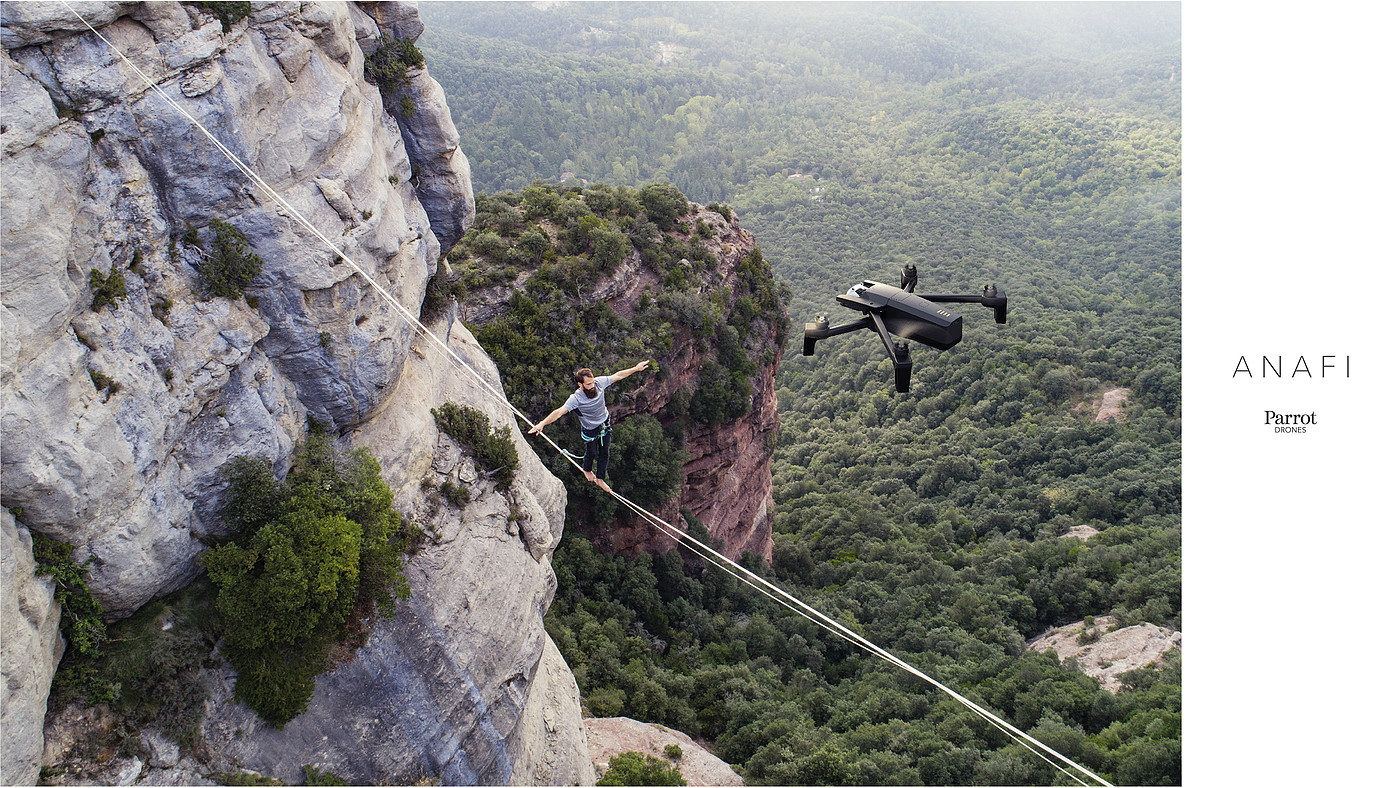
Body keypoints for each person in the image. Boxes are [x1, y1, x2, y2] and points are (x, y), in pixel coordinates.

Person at [528, 360, 651, 492]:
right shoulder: (576, 398)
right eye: (588, 384)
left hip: (604, 423)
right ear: (580, 384)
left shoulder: (599, 383)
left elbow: (618, 376)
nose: (592, 386)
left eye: (592, 382)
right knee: (591, 452)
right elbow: (558, 412)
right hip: (590, 429)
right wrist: (541, 424)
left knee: (605, 453)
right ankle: (587, 470)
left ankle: (600, 479)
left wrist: (635, 368)